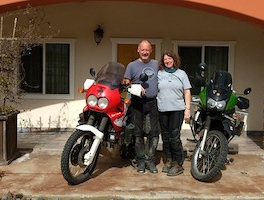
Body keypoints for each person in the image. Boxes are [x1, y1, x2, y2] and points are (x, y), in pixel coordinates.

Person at [123, 40, 159, 173]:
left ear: (151, 51)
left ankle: (150, 161)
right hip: (137, 103)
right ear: (138, 50)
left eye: (147, 50)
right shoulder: (132, 65)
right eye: (142, 49)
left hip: (152, 102)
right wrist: (135, 87)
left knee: (153, 133)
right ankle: (141, 161)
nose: (145, 52)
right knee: (138, 134)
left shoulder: (156, 64)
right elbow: (126, 83)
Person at [157, 50, 192, 176]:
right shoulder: (159, 74)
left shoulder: (181, 74)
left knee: (174, 135)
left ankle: (178, 162)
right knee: (165, 136)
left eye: (169, 58)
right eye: (165, 59)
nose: (167, 61)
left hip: (177, 109)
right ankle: (169, 159)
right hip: (162, 109)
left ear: (174, 60)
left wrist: (188, 109)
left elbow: (187, 92)